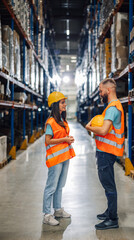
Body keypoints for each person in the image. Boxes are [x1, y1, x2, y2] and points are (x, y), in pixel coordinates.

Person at [85, 78, 124, 230]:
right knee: (107, 183)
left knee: (108, 185)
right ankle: (110, 211)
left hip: (107, 152)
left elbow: (103, 130)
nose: (100, 93)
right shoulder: (111, 106)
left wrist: (89, 127)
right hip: (105, 151)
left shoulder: (113, 108)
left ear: (109, 90)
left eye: (101, 91)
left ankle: (112, 219)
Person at [43, 91, 76, 226]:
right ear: (56, 105)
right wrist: (65, 139)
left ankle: (57, 210)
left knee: (60, 185)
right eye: (62, 103)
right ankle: (46, 214)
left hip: (64, 157)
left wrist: (68, 140)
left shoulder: (62, 120)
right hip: (55, 159)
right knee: (51, 186)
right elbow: (48, 140)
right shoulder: (51, 122)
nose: (65, 105)